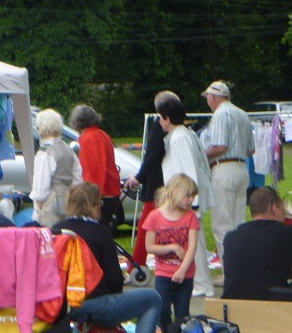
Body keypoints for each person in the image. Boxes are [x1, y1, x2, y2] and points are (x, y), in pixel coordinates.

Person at [53, 182, 162, 333]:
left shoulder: (56, 229)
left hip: (62, 305)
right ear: (93, 206)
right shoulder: (100, 232)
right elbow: (114, 279)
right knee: (152, 298)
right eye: (99, 204)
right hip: (95, 302)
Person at [156, 97, 216, 298]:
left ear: (167, 118)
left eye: (161, 118)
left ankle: (202, 284)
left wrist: (192, 202)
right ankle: (200, 283)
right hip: (186, 198)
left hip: (187, 200)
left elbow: (189, 170)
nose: (159, 122)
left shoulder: (180, 137)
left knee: (193, 244)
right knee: (193, 243)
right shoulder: (185, 134)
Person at [221, 186, 292, 300]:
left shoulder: (231, 236)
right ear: (274, 209)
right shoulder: (286, 232)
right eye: (283, 208)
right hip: (271, 303)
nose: (285, 213)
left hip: (232, 304)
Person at [127, 91, 181, 265]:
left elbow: (152, 155)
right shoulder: (180, 130)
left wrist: (139, 177)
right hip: (166, 181)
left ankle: (137, 263)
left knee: (147, 224)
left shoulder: (160, 127)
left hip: (157, 183)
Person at [201, 80, 252, 261]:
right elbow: (250, 149)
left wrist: (200, 154)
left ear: (213, 97)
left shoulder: (220, 115)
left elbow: (220, 147)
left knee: (222, 223)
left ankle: (228, 266)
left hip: (224, 168)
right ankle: (242, 264)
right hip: (241, 168)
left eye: (208, 98)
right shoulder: (243, 114)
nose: (208, 101)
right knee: (238, 221)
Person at [143, 174, 200, 333]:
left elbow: (192, 246)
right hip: (163, 273)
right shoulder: (154, 216)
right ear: (175, 192)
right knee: (163, 312)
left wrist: (183, 270)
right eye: (188, 196)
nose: (191, 200)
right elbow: (150, 247)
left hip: (185, 274)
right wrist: (173, 247)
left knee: (183, 314)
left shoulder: (190, 217)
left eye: (193, 197)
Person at [69, 104, 122, 233]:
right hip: (110, 193)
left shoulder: (88, 139)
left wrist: (89, 197)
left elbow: (94, 171)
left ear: (79, 122)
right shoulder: (101, 134)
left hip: (100, 195)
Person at [29, 109, 82, 228]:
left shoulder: (46, 152)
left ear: (41, 127)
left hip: (50, 200)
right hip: (68, 199)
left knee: (49, 237)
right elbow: (78, 177)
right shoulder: (68, 149)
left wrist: (39, 207)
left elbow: (40, 184)